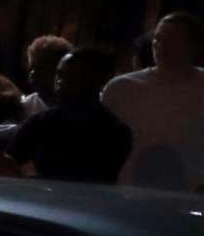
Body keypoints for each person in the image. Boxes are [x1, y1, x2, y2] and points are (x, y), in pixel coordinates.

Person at [101, 12, 204, 191]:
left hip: (192, 195)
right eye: (157, 39)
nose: (161, 46)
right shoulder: (122, 88)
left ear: (194, 45)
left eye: (172, 39)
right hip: (129, 191)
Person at [8, 48, 132, 184]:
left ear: (95, 80)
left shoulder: (115, 132)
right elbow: (9, 162)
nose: (60, 82)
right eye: (59, 75)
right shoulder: (39, 124)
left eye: (73, 76)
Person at [14, 32, 71, 119]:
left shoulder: (79, 111)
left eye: (42, 69)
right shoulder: (25, 107)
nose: (32, 74)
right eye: (32, 68)